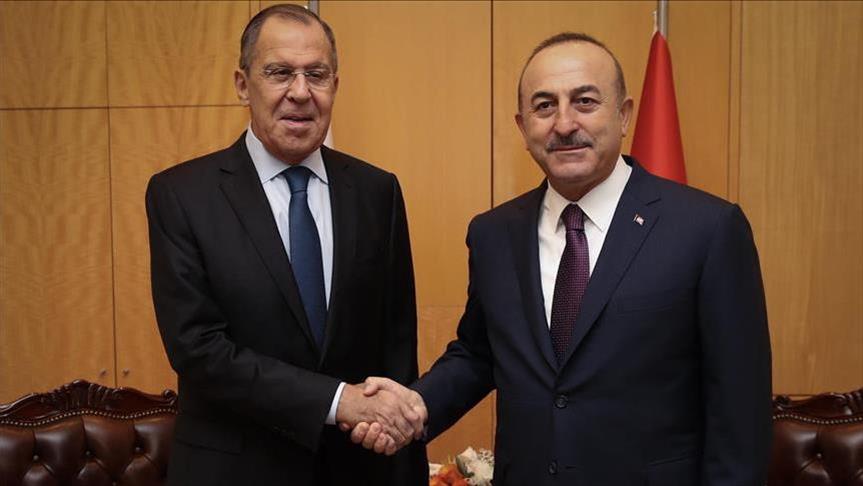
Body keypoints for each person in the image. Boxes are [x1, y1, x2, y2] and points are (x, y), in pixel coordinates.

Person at [351, 32, 772, 485]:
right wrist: (416, 406)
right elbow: (479, 353)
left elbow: (739, 415)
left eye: (585, 101)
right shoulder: (494, 234)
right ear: (522, 126)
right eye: (544, 106)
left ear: (624, 115)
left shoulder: (707, 229)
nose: (565, 123)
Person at [145, 4, 426, 485]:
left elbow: (396, 345)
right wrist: (337, 401)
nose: (300, 92)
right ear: (242, 84)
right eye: (279, 73)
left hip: (357, 470)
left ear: (335, 85)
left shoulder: (377, 191)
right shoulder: (182, 194)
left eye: (316, 74)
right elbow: (198, 349)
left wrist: (400, 448)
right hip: (233, 471)